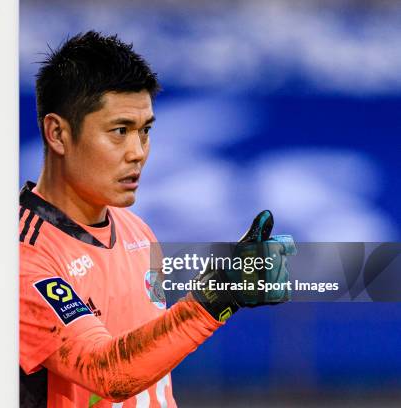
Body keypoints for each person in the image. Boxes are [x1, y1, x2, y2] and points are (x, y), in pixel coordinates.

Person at [19, 31, 291, 408]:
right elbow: (106, 372)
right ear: (57, 133)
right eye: (119, 131)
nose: (138, 153)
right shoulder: (24, 254)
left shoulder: (137, 231)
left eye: (145, 131)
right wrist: (217, 296)